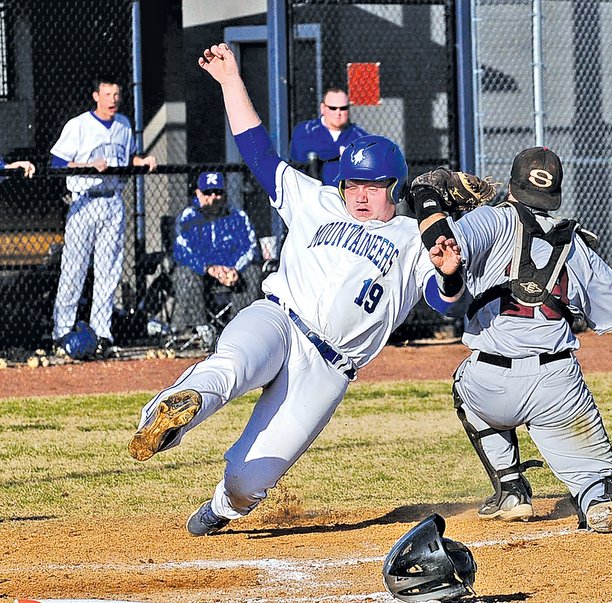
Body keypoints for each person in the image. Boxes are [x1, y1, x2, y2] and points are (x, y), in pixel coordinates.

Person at [127, 43, 462, 536]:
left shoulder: (414, 240)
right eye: (352, 184)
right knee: (232, 366)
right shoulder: (317, 199)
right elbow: (258, 150)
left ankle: (221, 506)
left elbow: (444, 301)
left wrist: (451, 271)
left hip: (328, 368)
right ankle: (167, 413)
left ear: (395, 187)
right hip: (279, 319)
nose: (359, 196)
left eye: (372, 186)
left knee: (249, 477)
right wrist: (229, 81)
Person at [408, 147, 612, 532]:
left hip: (488, 382)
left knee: (461, 383)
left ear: (513, 185)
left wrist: (426, 191)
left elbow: (441, 243)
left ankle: (510, 490)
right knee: (596, 481)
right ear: (554, 194)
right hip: (557, 385)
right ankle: (598, 497)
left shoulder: (492, 219)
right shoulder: (574, 242)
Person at [50, 76, 157, 357]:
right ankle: (61, 332)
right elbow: (57, 162)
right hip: (84, 200)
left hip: (113, 202)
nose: (113, 99)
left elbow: (127, 158)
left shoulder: (123, 124)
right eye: (108, 94)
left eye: (117, 94)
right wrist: (88, 165)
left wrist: (142, 161)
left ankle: (102, 333)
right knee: (74, 269)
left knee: (109, 272)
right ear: (96, 96)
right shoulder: (79, 125)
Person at [170, 170, 262, 346]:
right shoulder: (188, 216)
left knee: (253, 271)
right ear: (198, 193)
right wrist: (209, 268)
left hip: (230, 273)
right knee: (184, 272)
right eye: (207, 193)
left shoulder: (237, 216)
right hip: (202, 273)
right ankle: (200, 329)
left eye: (218, 192)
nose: (214, 197)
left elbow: (251, 248)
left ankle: (239, 329)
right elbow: (182, 250)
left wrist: (234, 269)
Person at [289, 87, 370, 186]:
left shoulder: (360, 137)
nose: (338, 113)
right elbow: (300, 162)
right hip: (312, 194)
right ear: (323, 108)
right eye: (333, 108)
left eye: (343, 108)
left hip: (345, 196)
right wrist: (341, 153)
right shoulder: (306, 131)